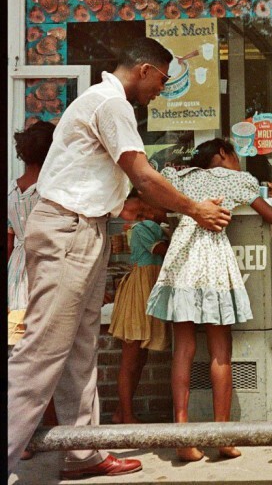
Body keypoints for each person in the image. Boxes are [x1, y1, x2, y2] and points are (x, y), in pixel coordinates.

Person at [7, 38, 232, 479]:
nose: (161, 91)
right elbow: (143, 175)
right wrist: (197, 208)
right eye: (163, 81)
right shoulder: (111, 104)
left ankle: (82, 452)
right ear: (144, 70)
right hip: (69, 229)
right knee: (43, 349)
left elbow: (124, 185)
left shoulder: (102, 102)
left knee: (79, 348)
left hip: (81, 228)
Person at [146, 137, 272, 463]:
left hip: (181, 261)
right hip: (211, 261)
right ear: (223, 154)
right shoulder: (240, 180)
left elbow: (156, 190)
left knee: (183, 348)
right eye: (236, 155)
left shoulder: (183, 178)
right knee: (220, 351)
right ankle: (222, 437)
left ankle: (183, 436)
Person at [7, 121, 59, 460]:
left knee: (20, 352)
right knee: (48, 356)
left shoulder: (11, 190)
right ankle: (33, 434)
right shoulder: (52, 190)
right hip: (44, 272)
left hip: (16, 275)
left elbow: (9, 240)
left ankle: (37, 432)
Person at [109, 190, 171, 424]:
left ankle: (120, 412)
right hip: (138, 295)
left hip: (149, 292)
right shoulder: (142, 228)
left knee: (139, 359)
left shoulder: (155, 227)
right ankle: (126, 415)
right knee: (131, 358)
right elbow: (162, 251)